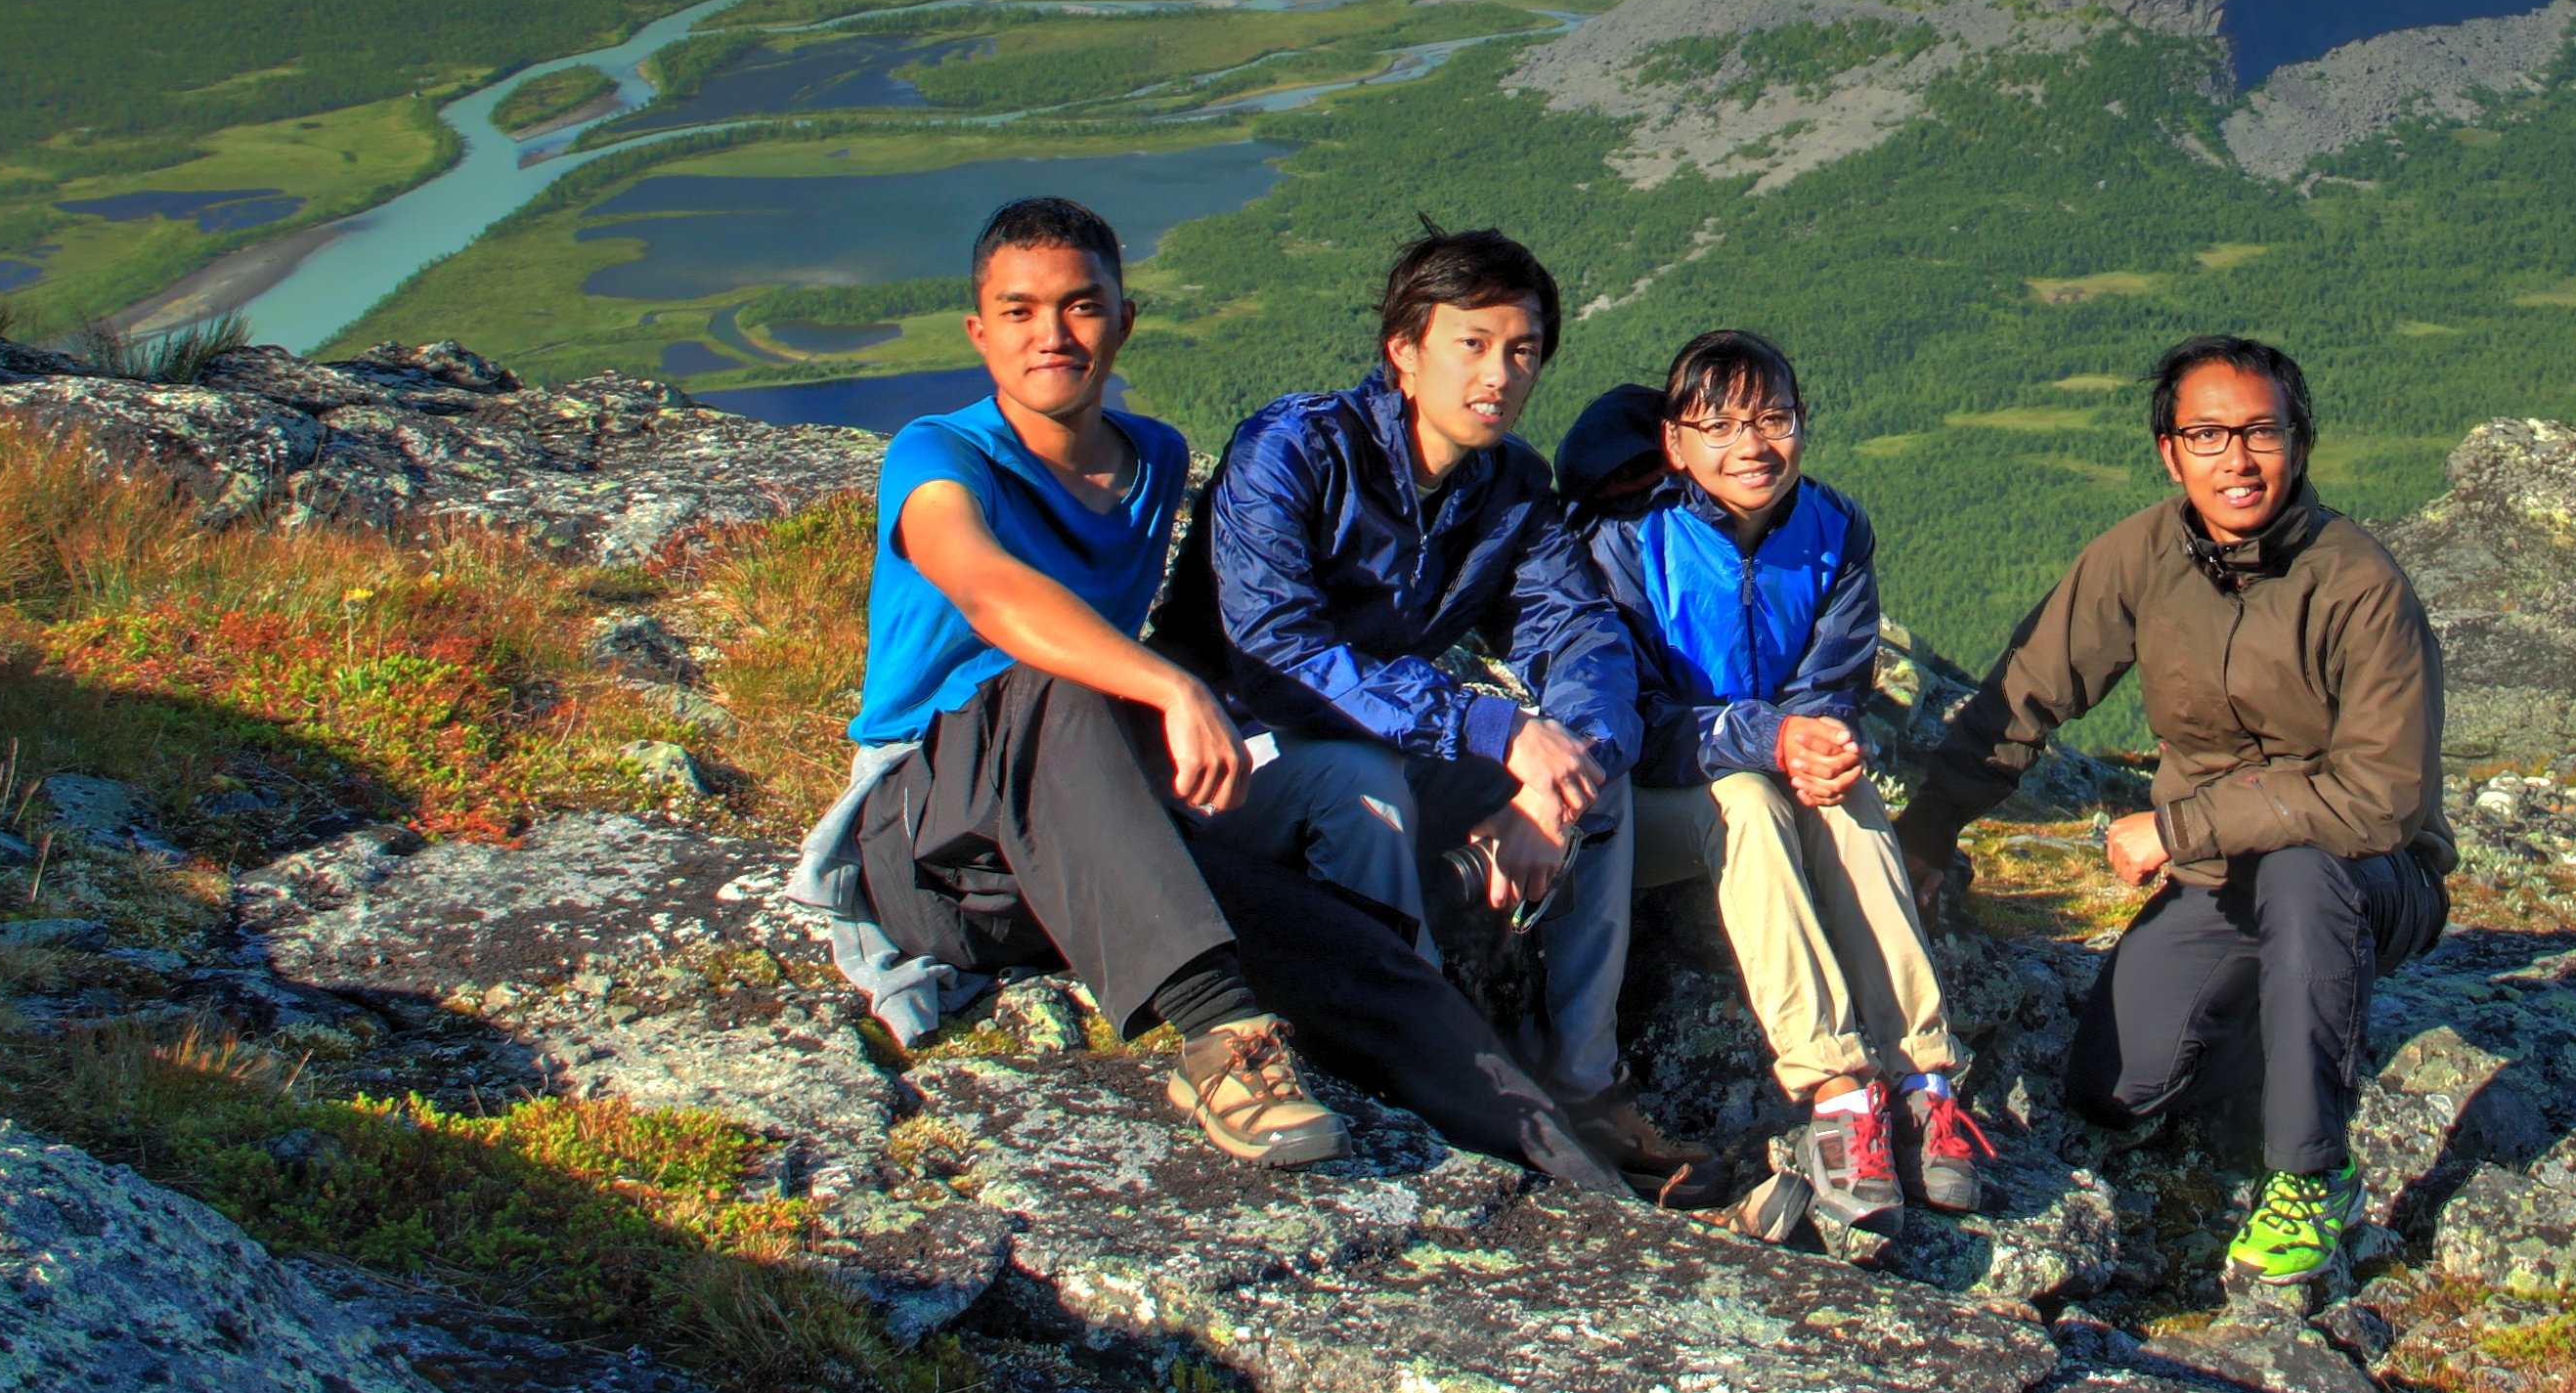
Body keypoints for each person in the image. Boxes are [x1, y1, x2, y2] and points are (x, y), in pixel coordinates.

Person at [786, 195, 1624, 1203]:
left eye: (1082, 306)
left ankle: (1580, 1176)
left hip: (1105, 835)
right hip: (934, 840)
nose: (1052, 334)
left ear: (1123, 320)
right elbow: (987, 586)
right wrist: (1166, 681)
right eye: (1019, 311)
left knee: (1367, 929)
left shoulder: (1152, 464)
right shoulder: (939, 455)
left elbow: (1578, 635)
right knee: (1056, 683)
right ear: (978, 331)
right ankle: (1220, 1037)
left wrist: (1530, 775)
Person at [1893, 334, 2451, 1287]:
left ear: (2297, 442)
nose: (2235, 458)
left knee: (2301, 874)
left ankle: (2314, 1174)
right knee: (2115, 1089)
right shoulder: (2144, 555)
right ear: (2168, 452)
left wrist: (2182, 827)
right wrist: (1931, 825)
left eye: (2260, 433)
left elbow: (2379, 799)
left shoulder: (2358, 584)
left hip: (2370, 873)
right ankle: (2298, 1008)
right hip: (2217, 882)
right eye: (2206, 434)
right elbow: (2028, 690)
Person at [1154, 224, 1698, 1189]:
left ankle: (1580, 1086)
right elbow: (1280, 650)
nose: (1499, 373)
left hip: (1380, 745)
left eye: (1522, 349)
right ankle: (1435, 1076)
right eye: (1471, 343)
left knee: (1588, 781)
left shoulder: (1508, 487)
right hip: (1232, 768)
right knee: (1362, 787)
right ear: (1404, 350)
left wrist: (1551, 784)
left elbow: (1581, 639)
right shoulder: (1294, 450)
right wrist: (1488, 726)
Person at [1564, 330, 1997, 1230]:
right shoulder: (1626, 543)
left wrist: (1820, 740)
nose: (1751, 445)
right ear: (1672, 445)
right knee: (1752, 800)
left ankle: (1922, 1078)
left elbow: (1832, 687)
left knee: (1848, 799)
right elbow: (1625, 722)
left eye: (1772, 419)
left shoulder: (1834, 529)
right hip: (1653, 803)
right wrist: (1770, 737)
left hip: (1776, 770)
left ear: (1804, 425)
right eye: (1716, 425)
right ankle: (1837, 1095)